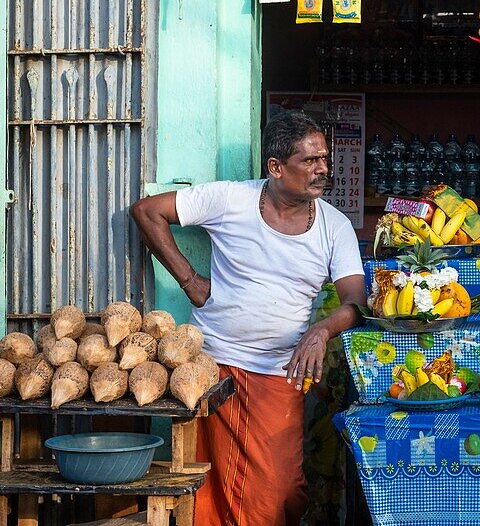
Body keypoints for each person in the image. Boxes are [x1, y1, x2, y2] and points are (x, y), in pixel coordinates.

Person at [130, 110, 365, 526]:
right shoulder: (230, 199)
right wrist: (189, 280)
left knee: (283, 490)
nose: (323, 169)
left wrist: (321, 329)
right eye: (309, 161)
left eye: (324, 159)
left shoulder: (335, 226)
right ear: (275, 167)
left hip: (279, 372)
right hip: (212, 366)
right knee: (206, 485)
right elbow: (147, 211)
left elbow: (355, 301)